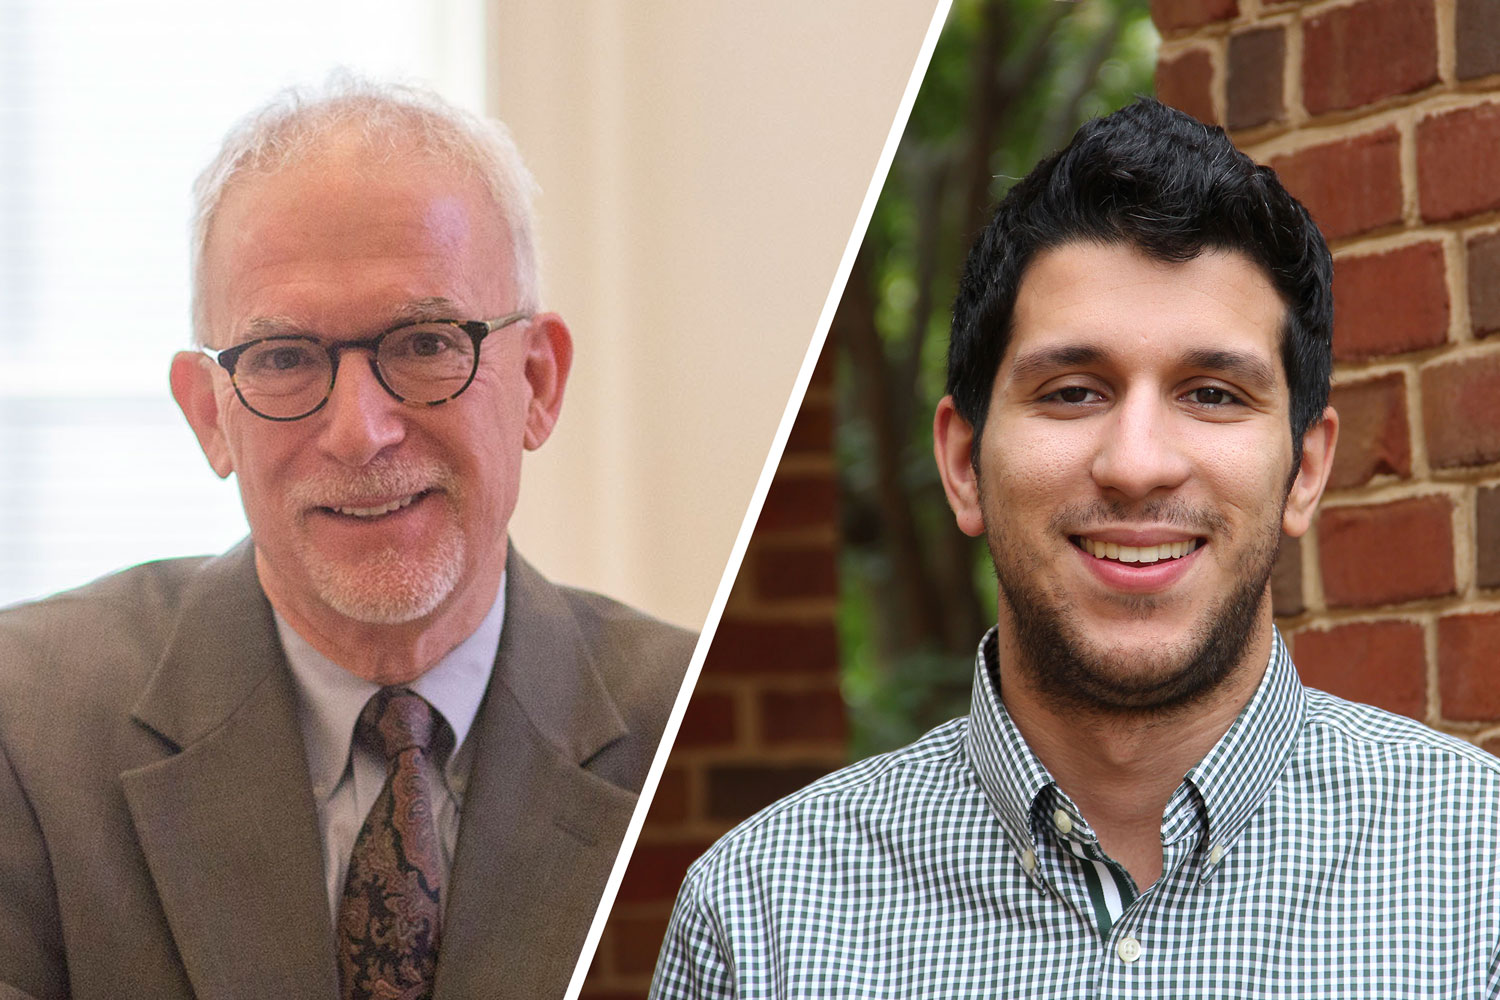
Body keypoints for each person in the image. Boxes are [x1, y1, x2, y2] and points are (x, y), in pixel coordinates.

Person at [650, 99, 1500, 998]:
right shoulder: (763, 917)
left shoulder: (1478, 875)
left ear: (1305, 471)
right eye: (1071, 392)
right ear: (963, 464)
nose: (1136, 465)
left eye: (1212, 393)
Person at [0, 78, 693, 1000]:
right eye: (284, 358)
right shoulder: (27, 729)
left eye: (424, 341)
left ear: (538, 382)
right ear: (210, 414)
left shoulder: (688, 733)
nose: (360, 430)